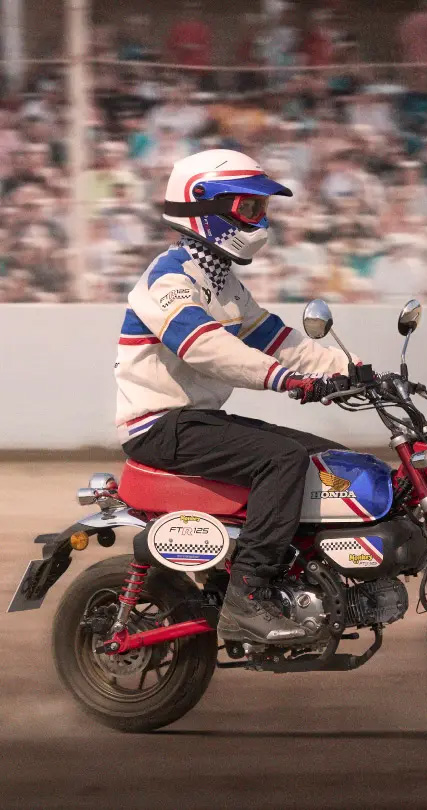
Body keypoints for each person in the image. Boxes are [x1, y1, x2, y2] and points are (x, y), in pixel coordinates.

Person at [115, 149, 356, 644]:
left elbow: (280, 340)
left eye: (261, 208)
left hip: (197, 421)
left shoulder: (222, 282)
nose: (260, 220)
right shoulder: (168, 279)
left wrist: (354, 370)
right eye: (249, 208)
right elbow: (205, 347)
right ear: (206, 206)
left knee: (329, 458)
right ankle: (248, 596)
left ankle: (302, 580)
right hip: (160, 425)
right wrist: (286, 380)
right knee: (282, 458)